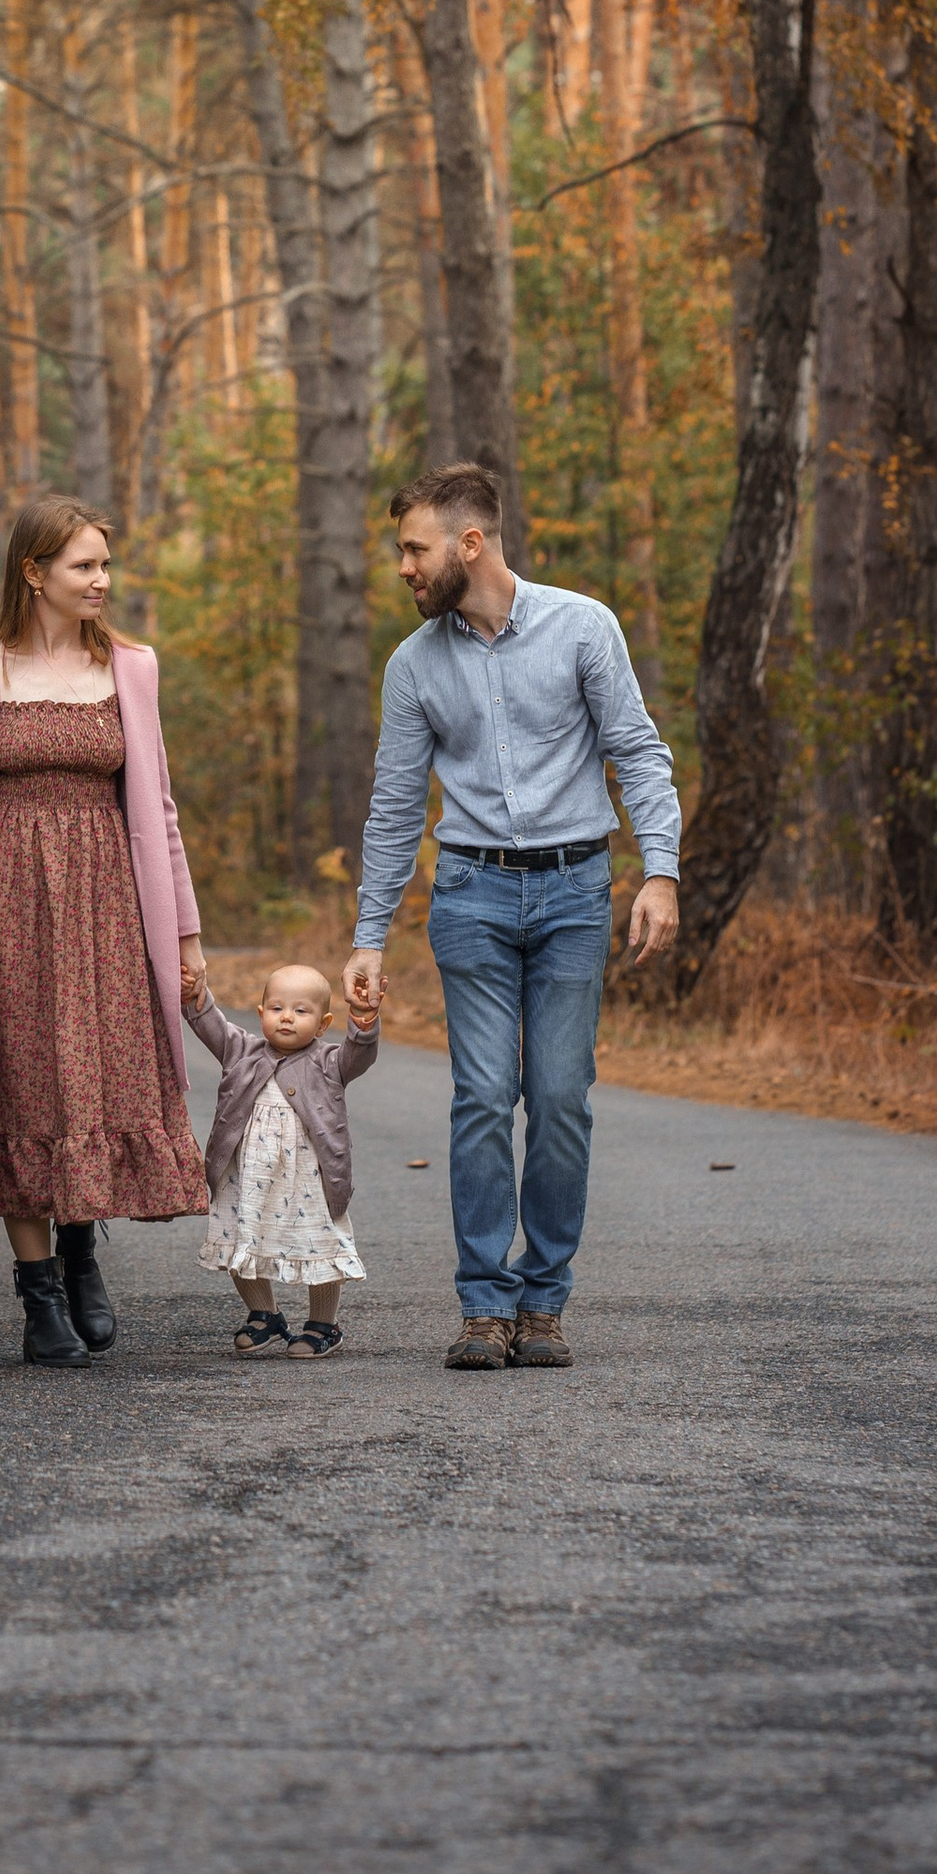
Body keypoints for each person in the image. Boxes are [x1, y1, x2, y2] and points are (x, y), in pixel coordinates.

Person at [342, 462, 680, 1372]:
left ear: (470, 542)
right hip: (471, 897)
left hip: (575, 892)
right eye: (401, 552)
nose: (404, 568)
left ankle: (546, 1301)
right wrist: (370, 935)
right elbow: (393, 806)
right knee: (486, 1096)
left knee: (562, 1097)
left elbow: (638, 752)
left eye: (415, 549)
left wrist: (661, 872)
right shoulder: (412, 666)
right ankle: (486, 1305)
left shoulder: (583, 626)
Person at [0, 494, 209, 1366]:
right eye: (85, 566)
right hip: (5, 908)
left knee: (93, 1077)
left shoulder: (132, 668)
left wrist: (187, 934)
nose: (102, 581)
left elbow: (158, 810)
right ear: (34, 572)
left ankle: (84, 1253)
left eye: (105, 565)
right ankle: (38, 1292)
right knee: (20, 1085)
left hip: (111, 907)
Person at [185, 961, 380, 1360]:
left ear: (324, 1023)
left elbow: (359, 1054)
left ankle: (324, 1323)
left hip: (308, 1181)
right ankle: (264, 1314)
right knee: (240, 1237)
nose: (287, 1017)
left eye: (301, 1010)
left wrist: (362, 1019)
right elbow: (210, 1024)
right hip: (248, 1177)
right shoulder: (241, 1051)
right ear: (261, 1015)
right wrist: (195, 995)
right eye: (276, 1008)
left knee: (321, 1244)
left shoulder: (329, 1063)